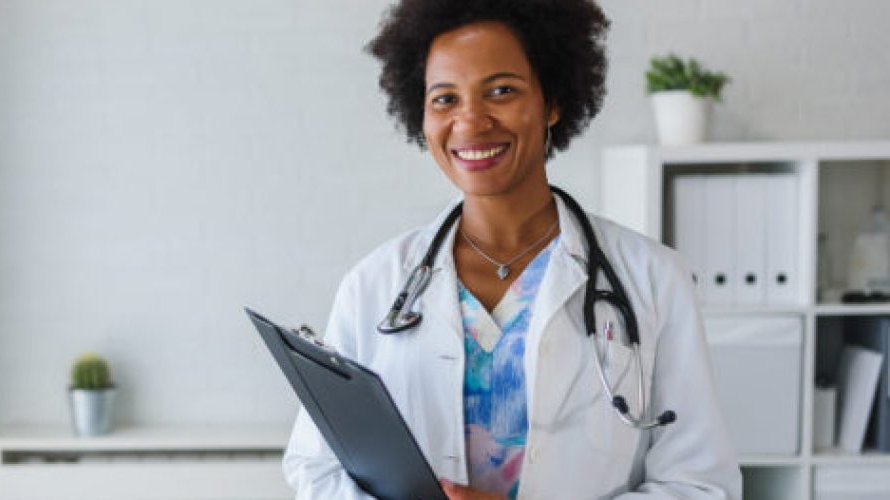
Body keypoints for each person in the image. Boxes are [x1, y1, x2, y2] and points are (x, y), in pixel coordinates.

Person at [282, 0, 742, 498]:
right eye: (444, 99)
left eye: (501, 91)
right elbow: (316, 468)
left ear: (552, 101)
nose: (471, 121)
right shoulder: (374, 286)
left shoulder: (654, 280)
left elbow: (701, 486)